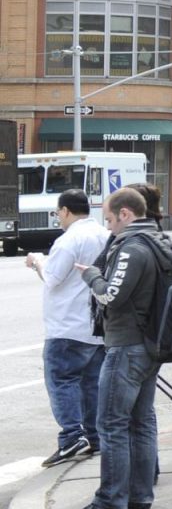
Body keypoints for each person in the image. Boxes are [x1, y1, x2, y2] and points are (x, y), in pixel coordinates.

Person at [68, 187, 172, 509]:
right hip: (149, 344)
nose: (109, 227)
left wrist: (91, 275)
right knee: (141, 421)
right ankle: (140, 493)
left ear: (126, 214)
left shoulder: (132, 247)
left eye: (110, 220)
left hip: (127, 345)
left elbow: (112, 296)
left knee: (112, 424)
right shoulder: (159, 241)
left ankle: (110, 500)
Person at [27, 189, 109, 468]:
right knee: (91, 384)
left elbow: (52, 278)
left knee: (62, 381)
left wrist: (37, 260)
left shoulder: (69, 239)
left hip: (66, 326)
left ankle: (73, 436)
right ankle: (94, 437)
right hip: (96, 326)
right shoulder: (104, 234)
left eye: (58, 212)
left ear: (64, 211)